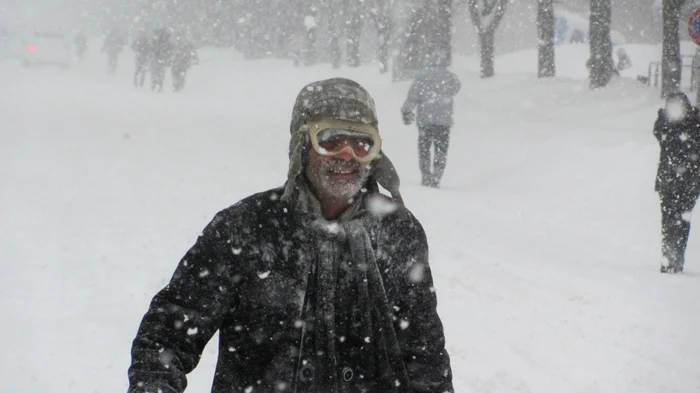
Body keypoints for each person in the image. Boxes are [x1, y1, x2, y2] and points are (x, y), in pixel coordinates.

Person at [126, 78, 455, 393]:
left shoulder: (399, 231)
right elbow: (168, 335)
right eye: (330, 140)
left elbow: (424, 351)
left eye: (362, 142)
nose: (347, 154)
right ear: (301, 145)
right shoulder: (246, 228)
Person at [654, 92, 700, 273]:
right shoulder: (671, 125)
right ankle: (671, 258)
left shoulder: (692, 125)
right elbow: (659, 133)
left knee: (676, 220)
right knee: (674, 220)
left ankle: (673, 258)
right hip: (677, 181)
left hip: (683, 181)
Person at [401, 53, 461, 188]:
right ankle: (437, 177)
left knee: (424, 149)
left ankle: (426, 175)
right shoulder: (450, 77)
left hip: (425, 121)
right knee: (441, 150)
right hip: (443, 121)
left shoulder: (421, 77)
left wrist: (406, 111)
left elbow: (412, 97)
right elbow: (457, 87)